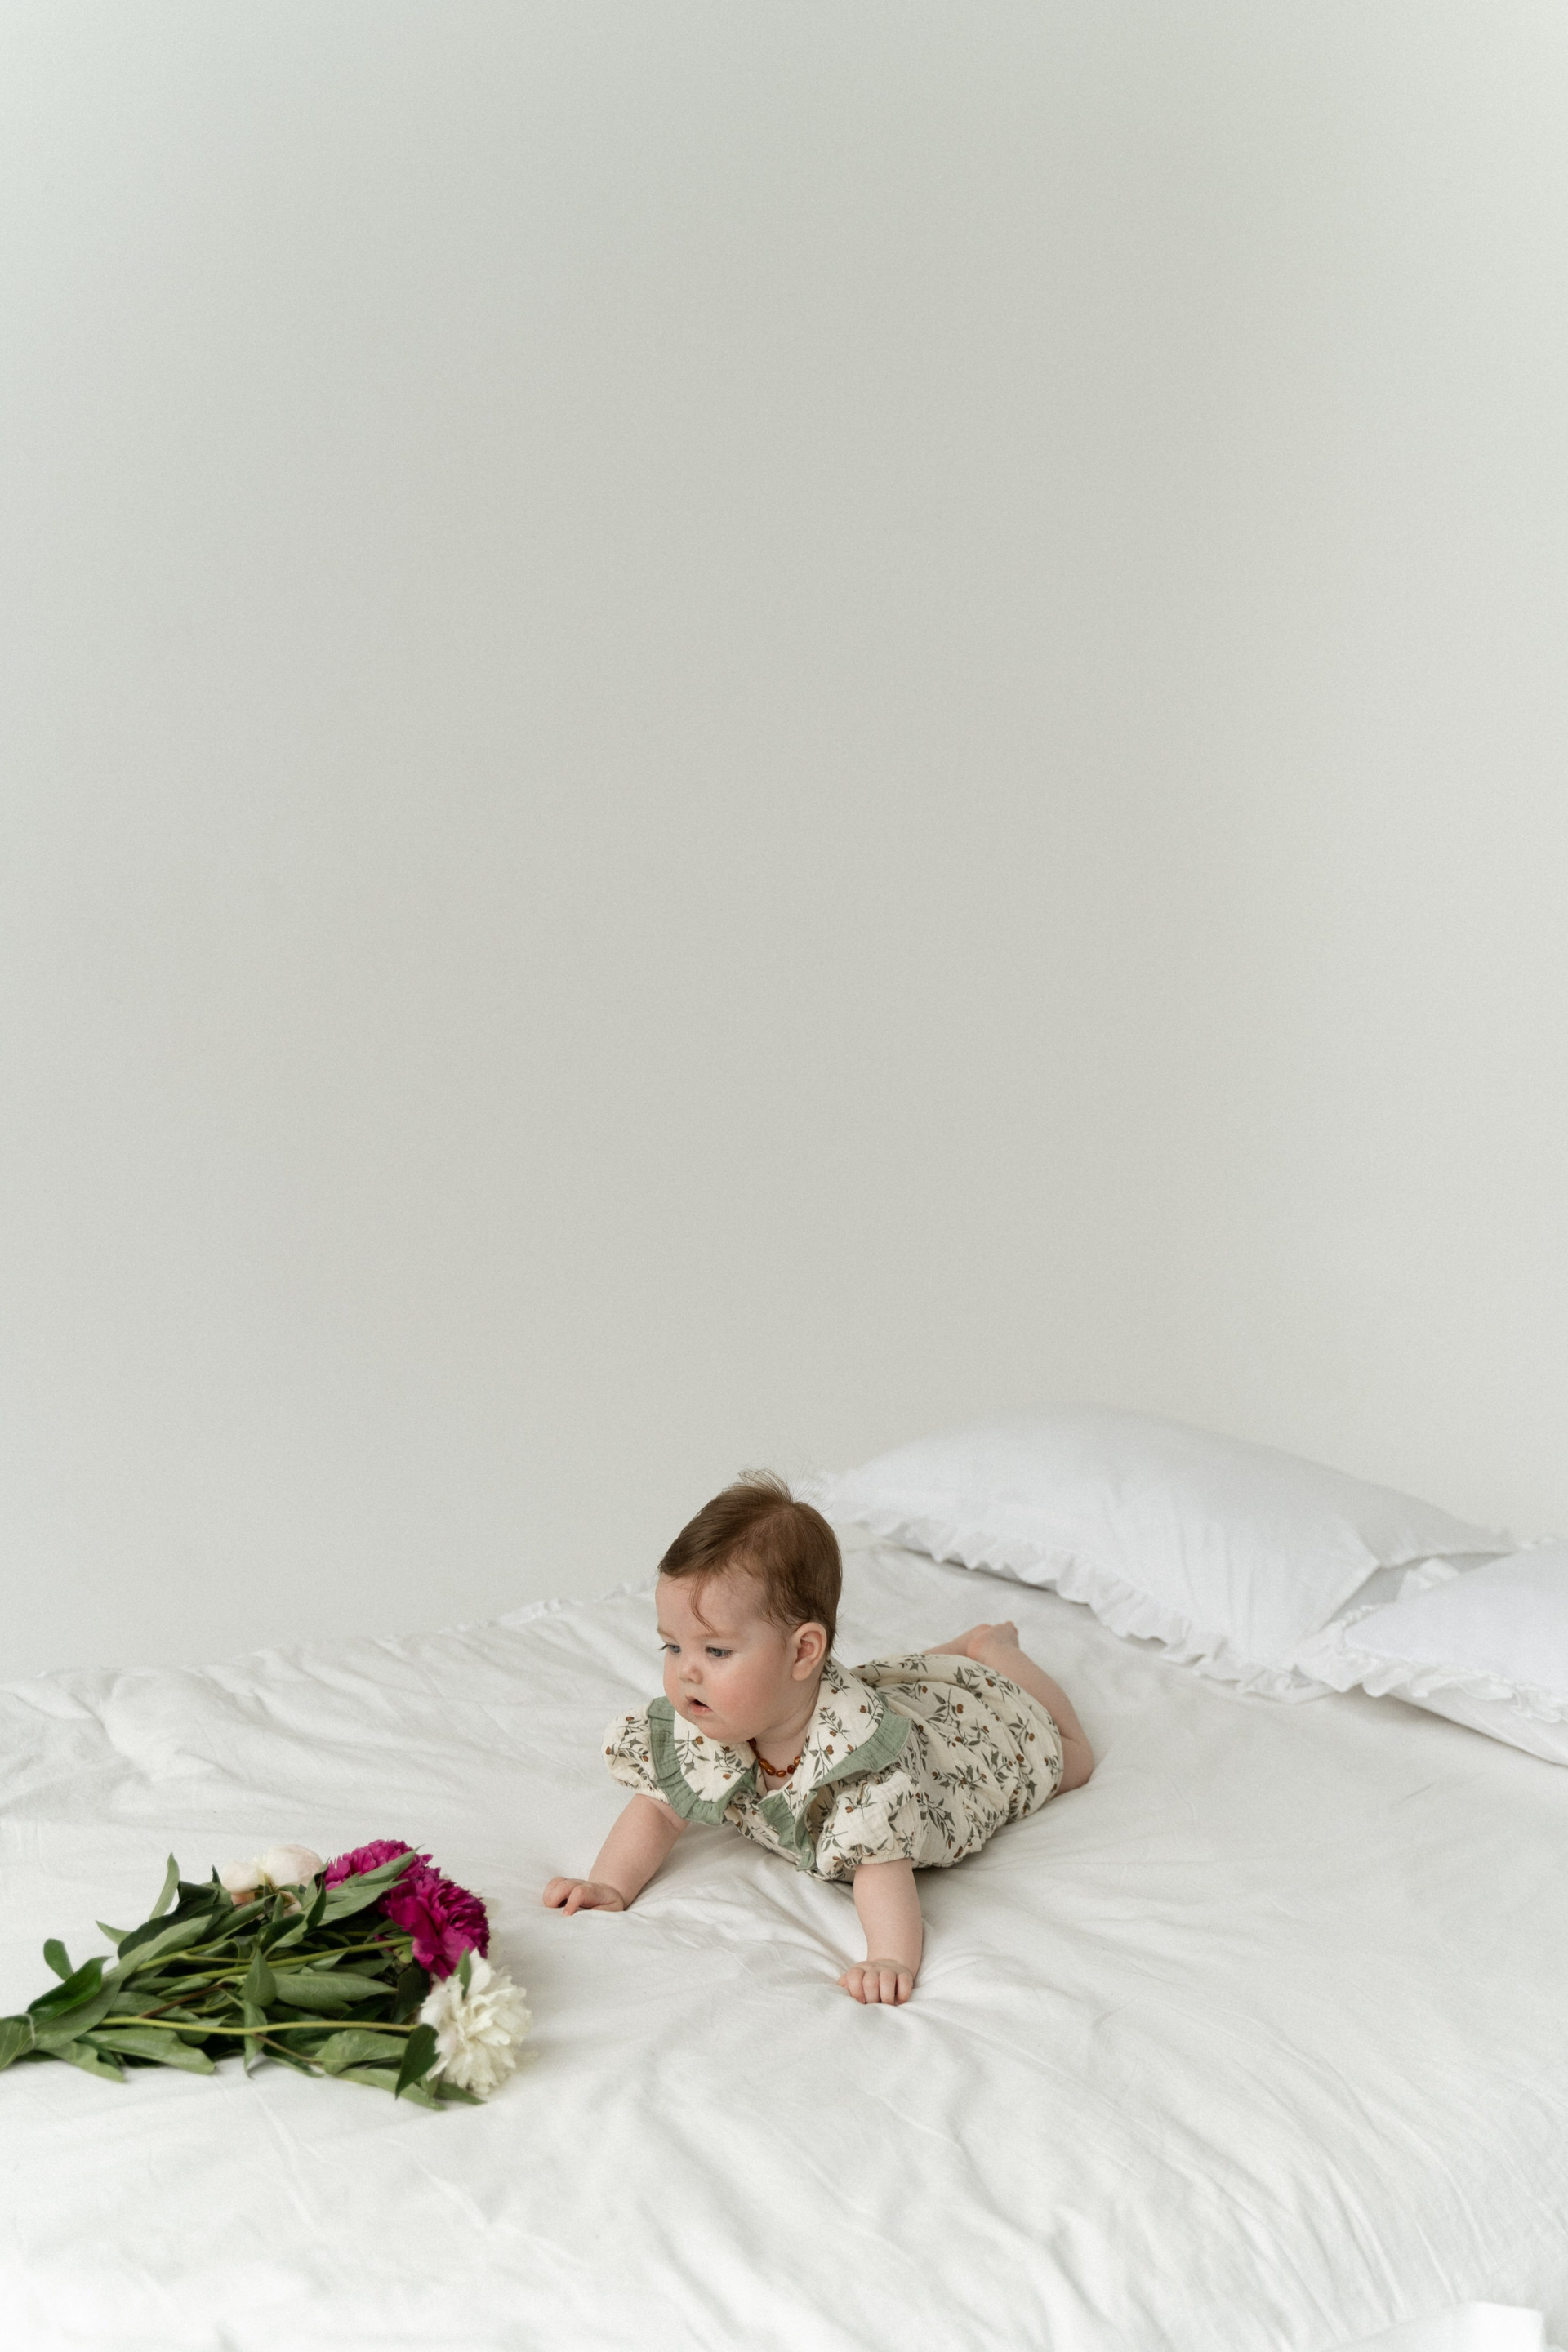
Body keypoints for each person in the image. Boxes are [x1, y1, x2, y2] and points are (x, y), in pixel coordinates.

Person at [542, 1473, 1094, 2004]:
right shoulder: (712, 1718)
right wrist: (609, 1885)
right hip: (866, 1697)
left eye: (716, 1651)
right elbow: (660, 1810)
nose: (686, 1672)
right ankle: (952, 1655)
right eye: (673, 1647)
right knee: (903, 1685)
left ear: (804, 1651)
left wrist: (890, 1958)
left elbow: (880, 1870)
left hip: (958, 1746)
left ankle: (991, 1651)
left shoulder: (863, 1768)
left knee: (1070, 1760)